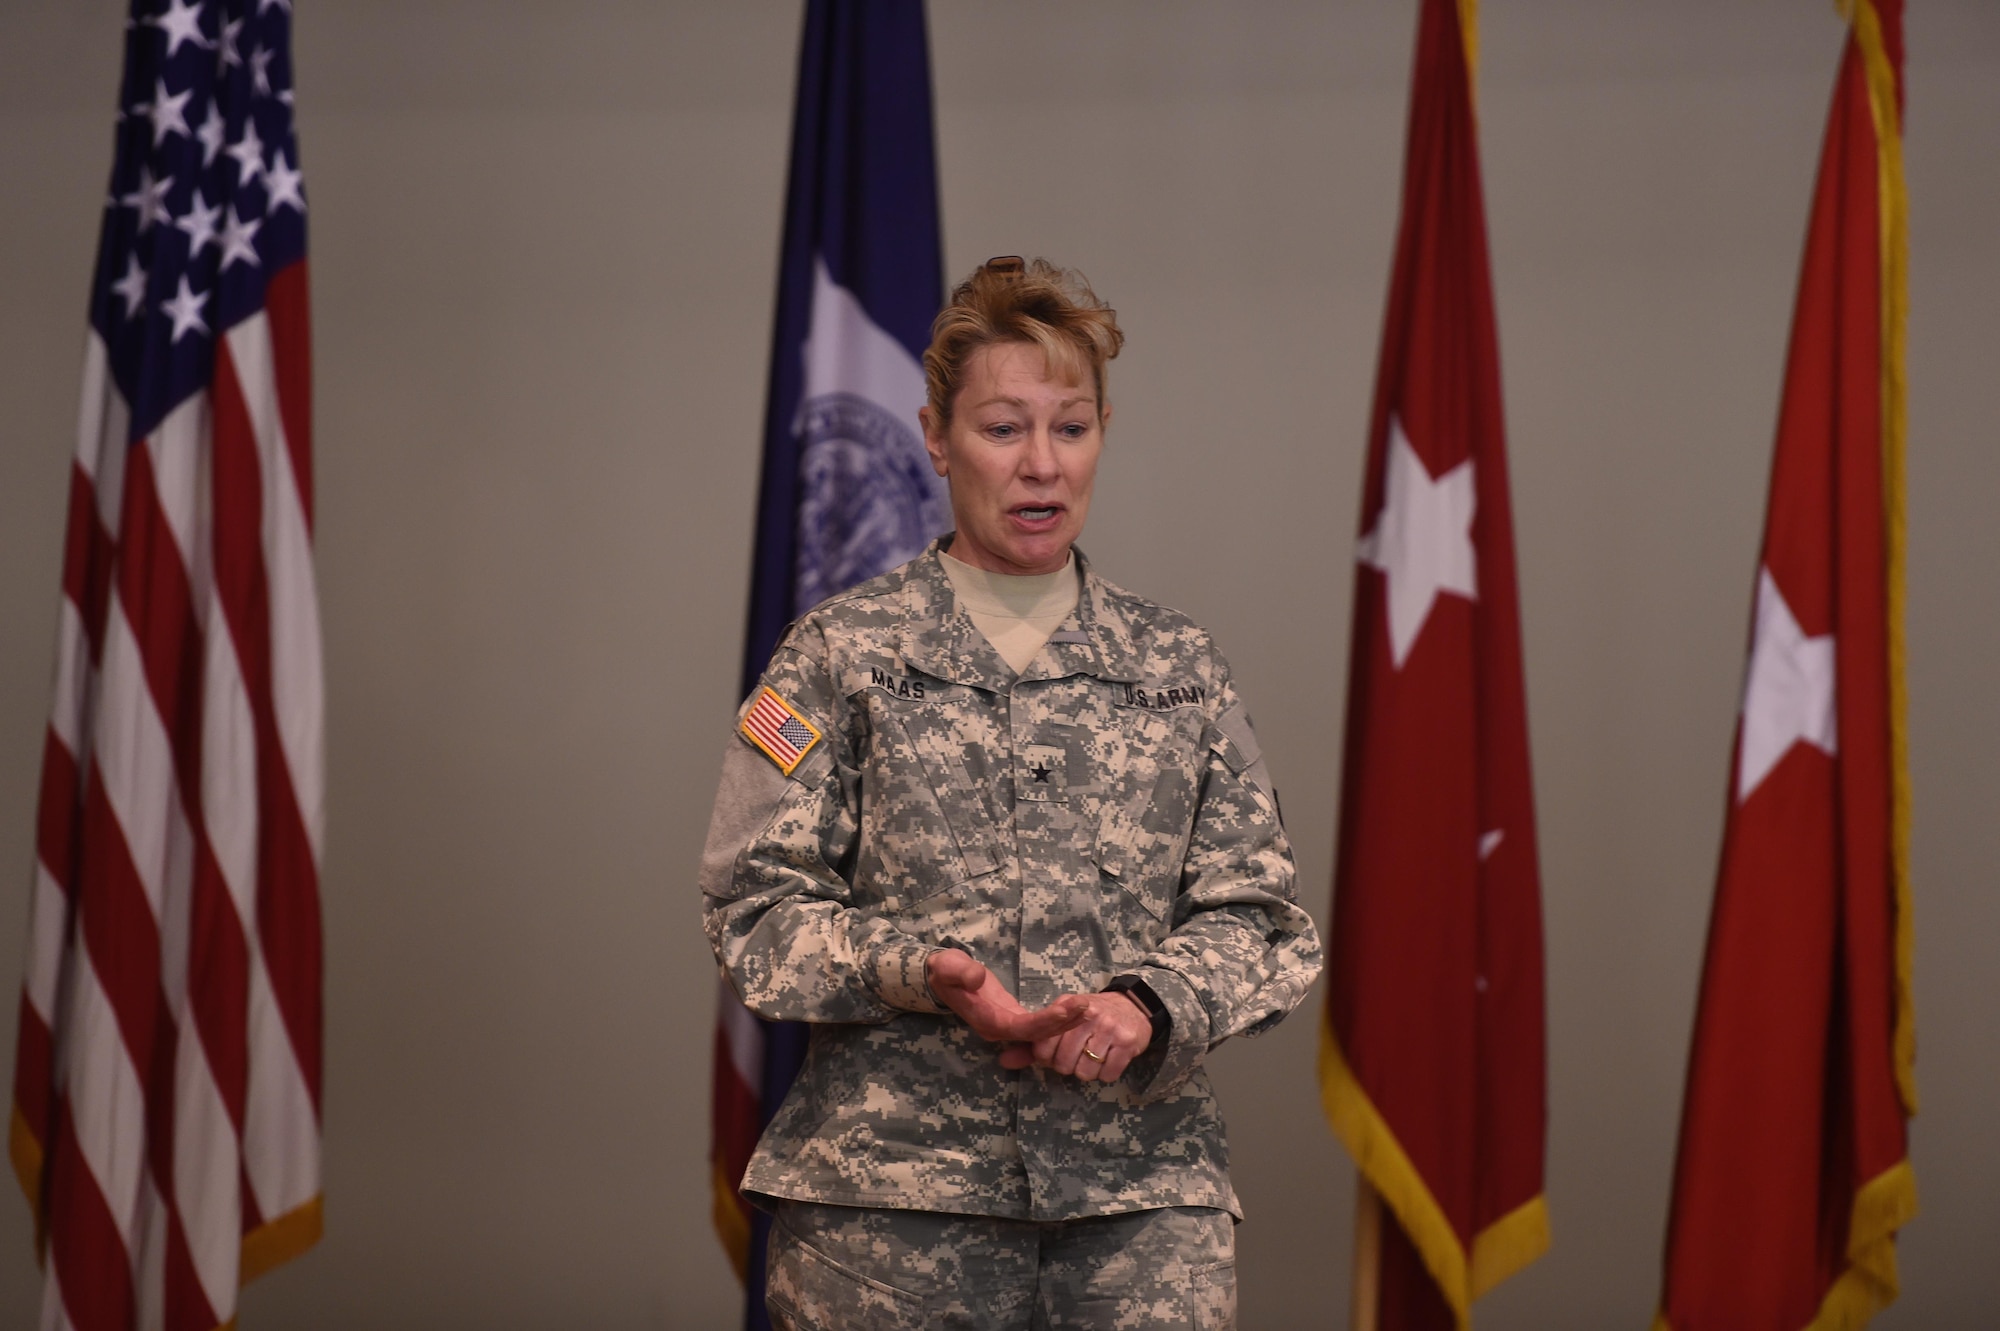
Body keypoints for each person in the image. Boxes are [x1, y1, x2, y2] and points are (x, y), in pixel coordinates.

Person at [701, 257, 1323, 1330]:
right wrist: (916, 969)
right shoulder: (836, 656)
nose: (1041, 465)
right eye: (1001, 429)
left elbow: (1262, 920)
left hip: (1137, 1218)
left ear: (1101, 432)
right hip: (888, 1221)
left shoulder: (1176, 665)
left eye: (1069, 428)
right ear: (934, 436)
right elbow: (753, 911)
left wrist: (1145, 1005)